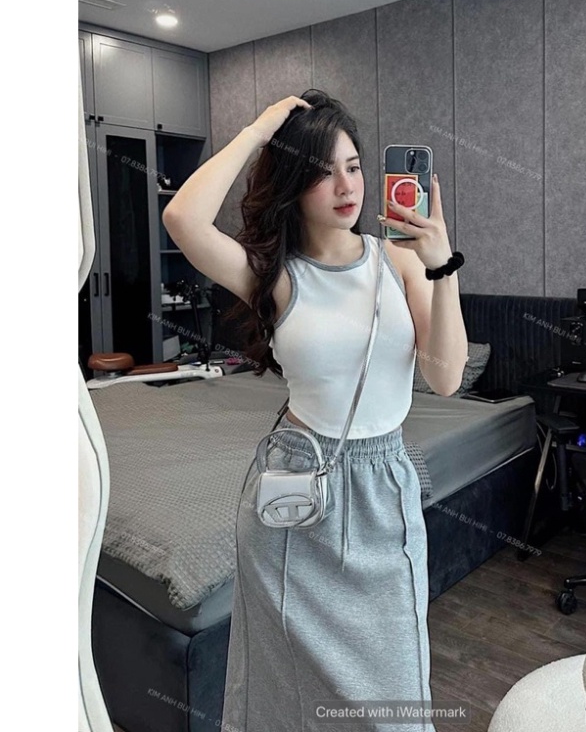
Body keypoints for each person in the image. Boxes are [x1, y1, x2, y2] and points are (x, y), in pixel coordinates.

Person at [162, 89, 468, 731]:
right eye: (323, 172)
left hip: (382, 489)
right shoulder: (273, 274)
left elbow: (444, 379)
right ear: (293, 185)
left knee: (394, 697)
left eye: (353, 167)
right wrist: (260, 128)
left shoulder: (400, 261)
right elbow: (183, 218)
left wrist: (443, 268)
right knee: (285, 694)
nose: (345, 186)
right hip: (294, 493)